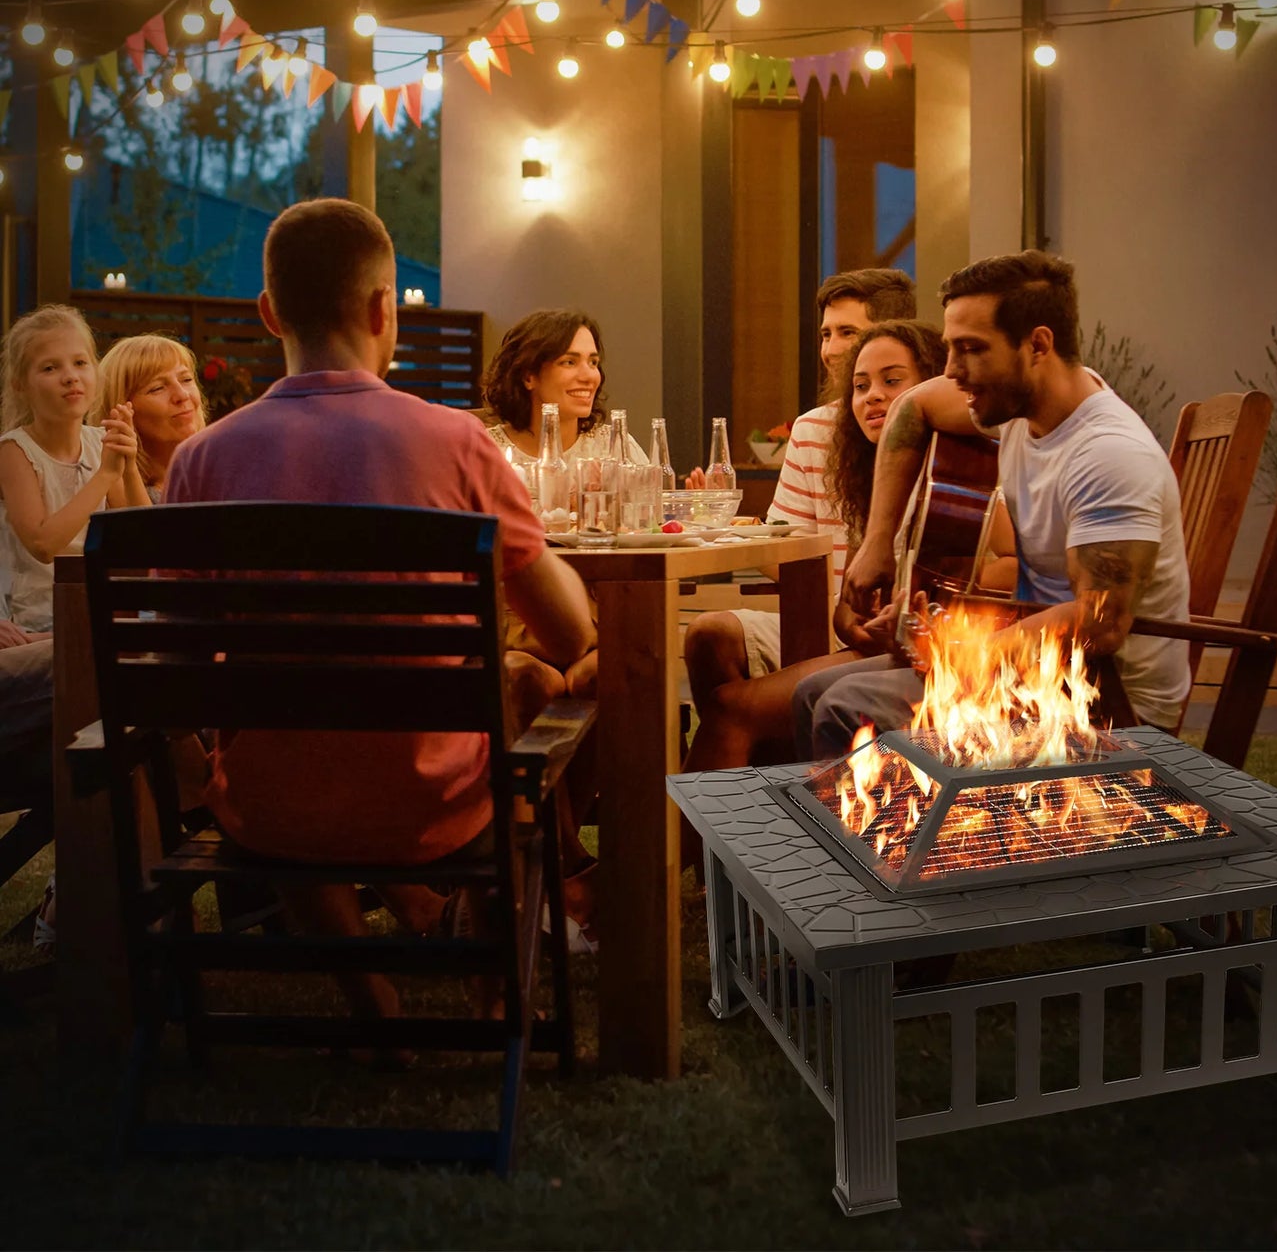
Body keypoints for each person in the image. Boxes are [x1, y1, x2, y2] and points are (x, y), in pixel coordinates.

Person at [164, 198, 595, 1027]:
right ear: (380, 309)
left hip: (266, 812)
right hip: (432, 806)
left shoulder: (200, 461)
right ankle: (494, 983)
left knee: (285, 752)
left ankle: (369, 1001)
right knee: (539, 697)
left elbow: (177, 671)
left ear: (267, 313)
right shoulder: (456, 443)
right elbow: (570, 634)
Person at [794, 250, 1191, 762]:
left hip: (1102, 706)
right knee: (811, 693)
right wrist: (878, 546)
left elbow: (1101, 622)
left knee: (846, 707)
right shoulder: (1022, 412)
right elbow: (912, 407)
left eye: (971, 350)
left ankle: (900, 842)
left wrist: (968, 651)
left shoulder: (1108, 456)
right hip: (1034, 666)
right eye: (949, 349)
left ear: (1037, 345)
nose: (953, 371)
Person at [682, 320, 947, 775]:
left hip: (946, 653)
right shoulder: (870, 472)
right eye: (860, 387)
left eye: (892, 381)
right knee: (714, 653)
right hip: (885, 647)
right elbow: (848, 612)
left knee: (730, 712)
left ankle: (697, 846)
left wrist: (894, 627)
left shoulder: (950, 471)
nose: (873, 396)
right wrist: (859, 623)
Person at [683, 268, 917, 709]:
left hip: (895, 625)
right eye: (826, 334)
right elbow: (787, 553)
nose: (831, 349)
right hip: (823, 616)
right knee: (708, 634)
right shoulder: (813, 429)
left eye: (848, 332)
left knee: (736, 711)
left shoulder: (936, 427)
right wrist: (729, 525)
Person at [0, 304, 146, 633]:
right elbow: (42, 545)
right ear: (19, 383)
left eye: (80, 363)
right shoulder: (15, 451)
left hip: (100, 610)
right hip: (39, 622)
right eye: (50, 368)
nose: (70, 376)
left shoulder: (98, 442)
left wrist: (130, 464)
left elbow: (138, 534)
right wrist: (106, 474)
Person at [480, 308, 649, 470]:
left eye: (593, 362)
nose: (589, 376)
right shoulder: (485, 453)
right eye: (569, 362)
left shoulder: (615, 447)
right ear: (528, 376)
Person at [93, 334, 207, 501]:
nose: (182, 395)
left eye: (186, 379)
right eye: (157, 388)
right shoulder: (111, 492)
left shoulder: (220, 473)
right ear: (120, 409)